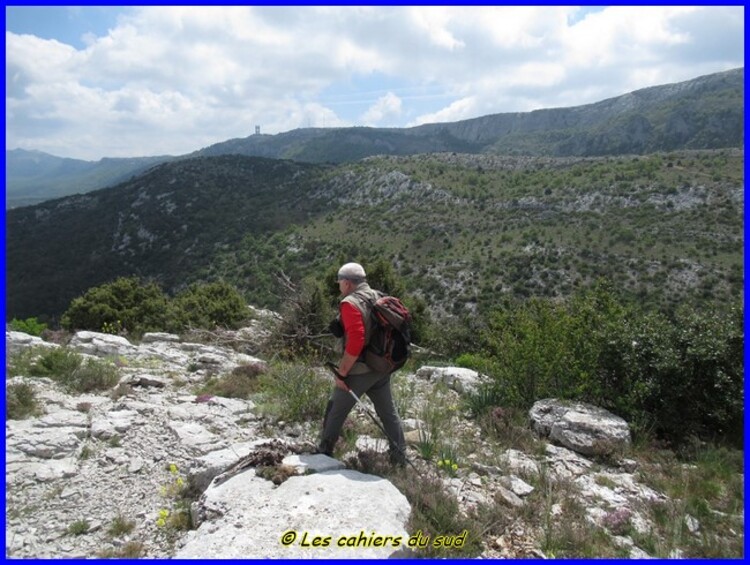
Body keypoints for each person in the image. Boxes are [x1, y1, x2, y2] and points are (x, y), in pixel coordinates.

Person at [317, 262, 407, 466]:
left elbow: (356, 340)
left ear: (347, 283)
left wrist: (342, 373)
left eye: (339, 282)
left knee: (335, 409)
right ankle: (399, 457)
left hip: (359, 370)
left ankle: (324, 452)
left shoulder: (350, 303)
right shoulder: (378, 296)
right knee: (388, 413)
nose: (339, 285)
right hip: (381, 368)